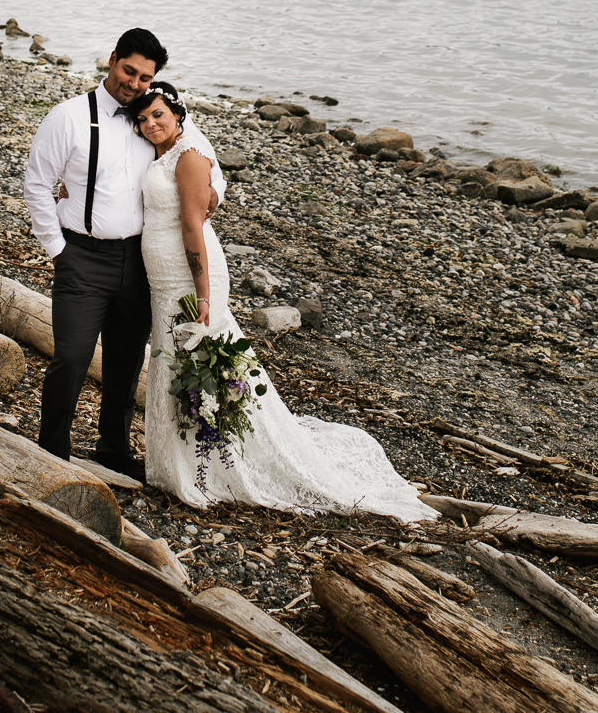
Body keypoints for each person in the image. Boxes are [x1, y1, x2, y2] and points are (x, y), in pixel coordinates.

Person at [128, 81, 434, 520]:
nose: (150, 124)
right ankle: (187, 464)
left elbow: (193, 226)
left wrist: (203, 294)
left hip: (188, 275)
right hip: (162, 279)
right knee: (173, 359)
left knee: (198, 360)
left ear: (177, 113)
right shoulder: (162, 153)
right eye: (142, 118)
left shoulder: (189, 156)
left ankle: (214, 468)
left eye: (157, 114)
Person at [23, 29, 223, 481]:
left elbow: (201, 156)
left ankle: (112, 448)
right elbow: (37, 185)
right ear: (112, 60)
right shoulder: (69, 117)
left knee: (126, 360)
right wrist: (58, 250)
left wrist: (215, 193)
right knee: (71, 358)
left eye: (145, 76)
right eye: (129, 70)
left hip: (142, 260)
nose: (134, 82)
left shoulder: (155, 116)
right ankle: (51, 449)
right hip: (83, 257)